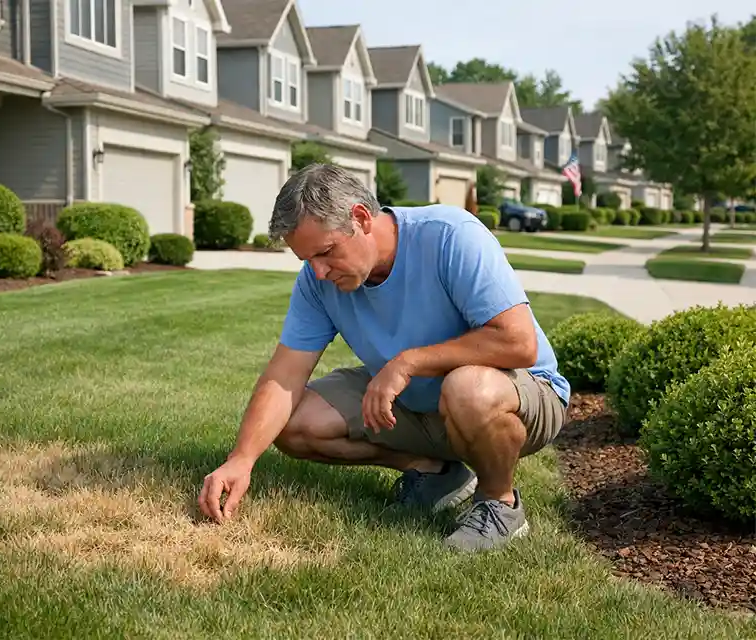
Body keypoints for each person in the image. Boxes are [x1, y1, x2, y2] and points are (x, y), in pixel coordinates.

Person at [197, 164, 570, 552]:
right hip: (418, 404)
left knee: (467, 388)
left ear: (361, 218)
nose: (319, 272)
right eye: (307, 259)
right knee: (293, 423)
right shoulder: (317, 281)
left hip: (521, 394)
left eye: (326, 253)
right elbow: (284, 374)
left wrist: (407, 362)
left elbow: (518, 343)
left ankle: (500, 504)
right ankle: (437, 473)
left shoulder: (450, 236)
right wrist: (242, 458)